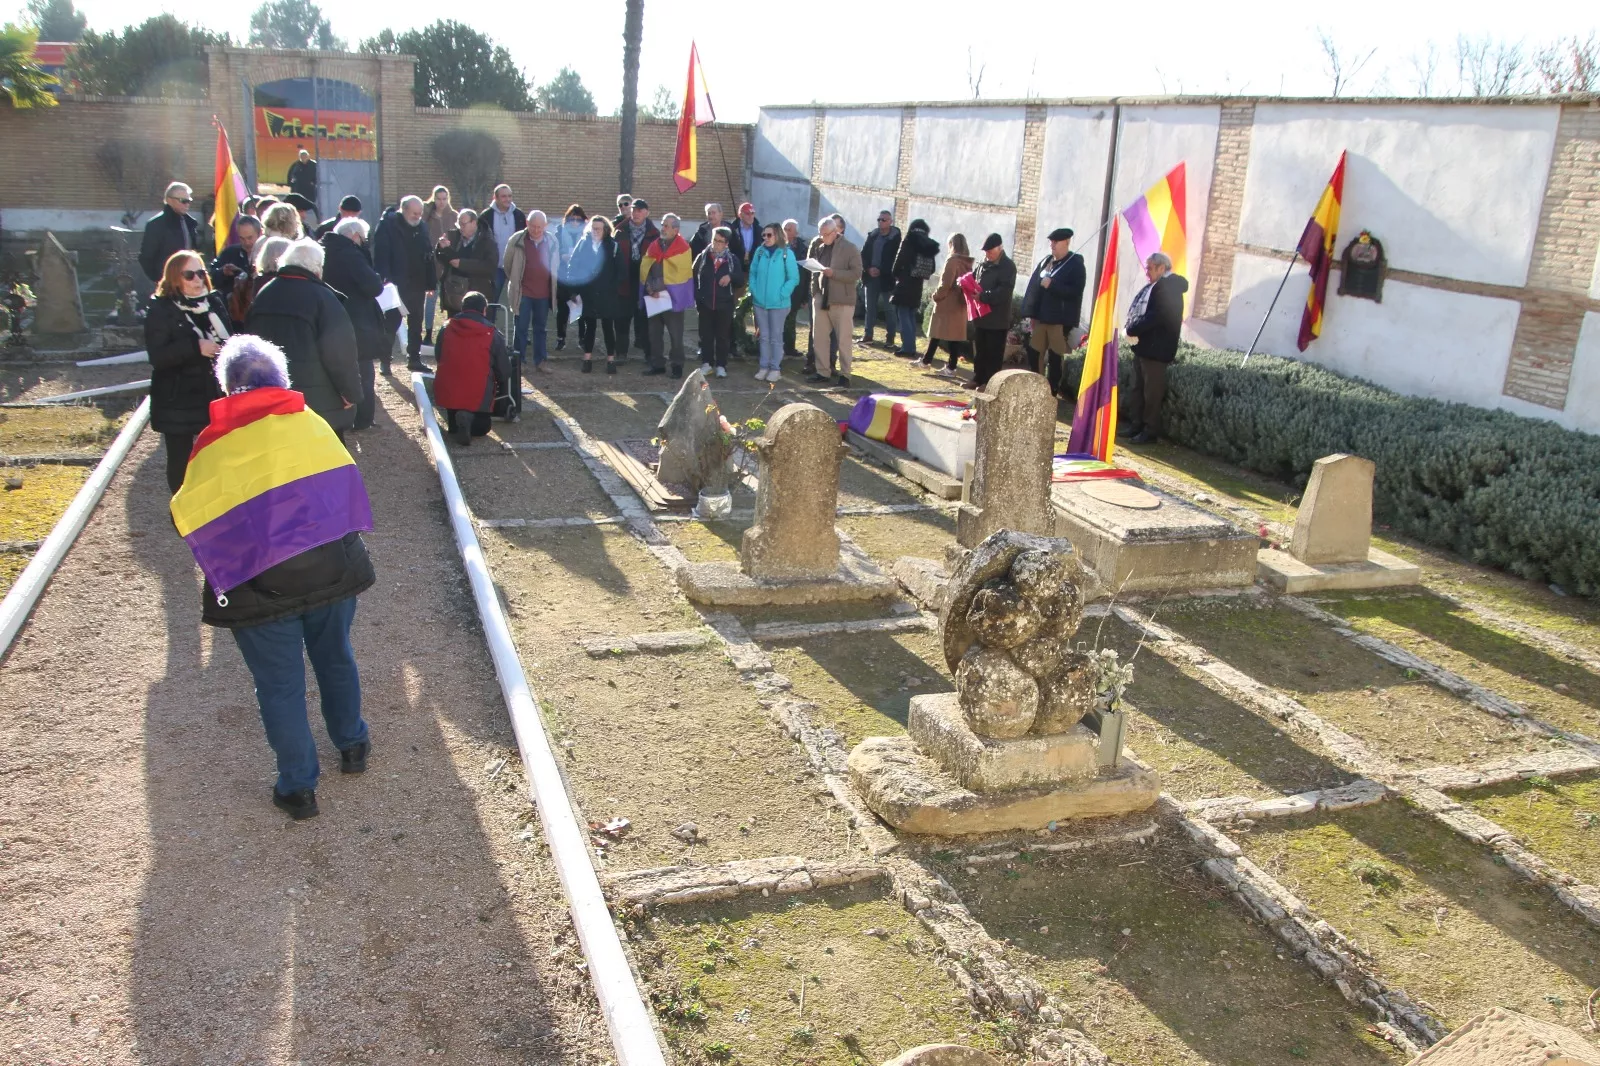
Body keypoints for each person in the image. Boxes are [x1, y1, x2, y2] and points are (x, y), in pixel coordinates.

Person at [170, 334, 375, 821]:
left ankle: (299, 786)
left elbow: (188, 515)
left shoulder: (211, 443)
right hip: (329, 569)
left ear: (227, 387)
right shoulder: (310, 423)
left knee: (279, 686)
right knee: (336, 658)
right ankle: (352, 746)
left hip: (258, 582)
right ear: (282, 380)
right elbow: (346, 486)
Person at [244, 238, 363, 437]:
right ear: (317, 268)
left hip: (275, 398)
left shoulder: (264, 295)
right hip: (319, 405)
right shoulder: (324, 298)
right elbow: (340, 354)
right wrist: (351, 393)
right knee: (327, 464)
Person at [145, 250, 227, 492]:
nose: (197, 279)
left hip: (211, 392)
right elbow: (157, 356)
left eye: (201, 273)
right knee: (180, 459)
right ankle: (182, 512)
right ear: (174, 278)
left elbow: (230, 336)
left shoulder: (214, 302)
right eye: (189, 275)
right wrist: (195, 347)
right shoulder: (162, 309)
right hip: (176, 397)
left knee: (215, 455)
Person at [321, 217, 386, 431]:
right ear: (355, 236)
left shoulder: (324, 250)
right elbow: (373, 286)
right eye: (363, 239)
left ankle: (341, 415)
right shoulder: (351, 255)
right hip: (357, 318)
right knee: (364, 370)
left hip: (330, 319)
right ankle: (363, 419)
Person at [1120, 252, 1189, 445]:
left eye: (1150, 268)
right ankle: (1136, 424)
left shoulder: (1170, 287)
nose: (1147, 272)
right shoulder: (1155, 286)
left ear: (1161, 268)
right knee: (1137, 388)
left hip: (1157, 349)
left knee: (1152, 393)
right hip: (1144, 347)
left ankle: (1150, 431)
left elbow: (1157, 315)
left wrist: (1134, 328)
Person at [434, 291, 511, 445]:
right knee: (482, 429)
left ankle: (460, 420)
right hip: (479, 394)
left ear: (462, 308)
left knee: (454, 426)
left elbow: (438, 356)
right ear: (484, 310)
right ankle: (468, 419)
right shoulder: (492, 333)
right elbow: (504, 370)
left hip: (450, 392)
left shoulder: (446, 328)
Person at [1019, 227, 1087, 397]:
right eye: (1051, 242)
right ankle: (1036, 385)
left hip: (1059, 319)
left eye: (1056, 242)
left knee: (1056, 356)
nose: (1052, 245)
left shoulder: (1075, 264)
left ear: (1067, 242)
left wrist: (1053, 285)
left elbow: (1076, 291)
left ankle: (1052, 390)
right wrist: (1033, 314)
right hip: (1042, 317)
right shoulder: (1047, 261)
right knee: (1035, 352)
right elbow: (1036, 289)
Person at [371, 195, 435, 373]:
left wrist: (430, 282)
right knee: (391, 323)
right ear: (404, 210)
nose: (417, 216)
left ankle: (414, 358)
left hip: (417, 282)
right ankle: (385, 360)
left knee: (416, 323)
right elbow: (381, 255)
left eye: (420, 213)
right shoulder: (388, 226)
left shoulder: (421, 227)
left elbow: (428, 254)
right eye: (414, 213)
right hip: (396, 283)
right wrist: (386, 280)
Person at [503, 210, 560, 386]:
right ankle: (520, 361)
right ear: (527, 223)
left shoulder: (552, 241)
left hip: (543, 294)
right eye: (533, 226)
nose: (536, 230)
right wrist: (516, 280)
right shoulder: (517, 240)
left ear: (545, 226)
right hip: (523, 293)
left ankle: (540, 360)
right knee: (520, 326)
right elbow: (507, 264)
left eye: (539, 227)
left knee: (540, 328)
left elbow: (555, 265)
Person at [807, 217, 862, 386]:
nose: (822, 237)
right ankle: (822, 371)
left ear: (835, 232)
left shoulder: (850, 248)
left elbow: (856, 273)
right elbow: (814, 270)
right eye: (820, 234)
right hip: (822, 298)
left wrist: (834, 273)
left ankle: (845, 375)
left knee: (843, 340)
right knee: (820, 338)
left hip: (842, 301)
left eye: (825, 234)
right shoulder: (819, 245)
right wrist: (815, 293)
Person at [638, 213, 694, 379]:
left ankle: (677, 365)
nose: (662, 228)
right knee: (654, 332)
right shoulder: (654, 245)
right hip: (654, 296)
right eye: (662, 224)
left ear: (675, 230)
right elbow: (645, 266)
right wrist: (648, 286)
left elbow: (679, 275)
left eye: (666, 226)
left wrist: (657, 287)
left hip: (672, 298)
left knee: (675, 334)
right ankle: (657, 364)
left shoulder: (683, 248)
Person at [569, 215, 624, 374]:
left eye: (598, 229)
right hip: (589, 293)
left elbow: (621, 272)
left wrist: (612, 287)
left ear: (606, 230)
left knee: (608, 327)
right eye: (593, 228)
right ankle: (587, 359)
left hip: (608, 295)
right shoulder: (583, 245)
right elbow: (573, 267)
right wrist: (575, 290)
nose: (595, 231)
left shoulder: (613, 246)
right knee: (589, 327)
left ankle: (610, 359)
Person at [691, 226, 745, 379]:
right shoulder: (702, 257)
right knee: (705, 335)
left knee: (722, 336)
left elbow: (740, 280)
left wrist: (730, 277)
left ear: (727, 243)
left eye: (721, 241)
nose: (716, 244)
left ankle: (721, 365)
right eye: (715, 240)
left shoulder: (732, 259)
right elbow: (693, 277)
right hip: (705, 303)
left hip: (724, 304)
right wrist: (698, 297)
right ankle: (707, 363)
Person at [748, 222, 798, 383]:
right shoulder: (760, 252)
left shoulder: (786, 254)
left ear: (777, 235)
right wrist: (755, 291)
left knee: (776, 336)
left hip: (779, 304)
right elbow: (753, 273)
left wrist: (782, 293)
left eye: (769, 235)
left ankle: (775, 368)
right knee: (764, 336)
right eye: (764, 235)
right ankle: (763, 367)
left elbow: (794, 278)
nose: (766, 238)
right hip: (760, 303)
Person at [967, 234, 1016, 389]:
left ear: (999, 247)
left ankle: (990, 383)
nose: (988, 254)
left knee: (993, 353)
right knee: (980, 350)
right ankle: (978, 378)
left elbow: (1003, 292)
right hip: (981, 317)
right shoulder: (982, 264)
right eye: (986, 251)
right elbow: (974, 279)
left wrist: (983, 297)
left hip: (997, 318)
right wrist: (965, 284)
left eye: (990, 251)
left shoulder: (1008, 266)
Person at [434, 208, 498, 318]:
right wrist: (441, 248)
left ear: (474, 222)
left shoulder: (487, 240)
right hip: (455, 293)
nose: (460, 228)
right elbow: (442, 259)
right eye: (459, 224)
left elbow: (489, 266)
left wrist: (462, 264)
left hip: (477, 293)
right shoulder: (453, 236)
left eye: (463, 224)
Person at [889, 218, 939, 358]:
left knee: (903, 314)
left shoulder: (909, 240)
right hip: (918, 283)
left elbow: (900, 260)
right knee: (910, 314)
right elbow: (932, 268)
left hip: (905, 281)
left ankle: (908, 347)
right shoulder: (928, 243)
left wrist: (895, 274)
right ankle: (911, 346)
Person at [617, 199, 659, 361]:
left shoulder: (654, 234)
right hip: (625, 280)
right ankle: (621, 353)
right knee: (622, 319)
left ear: (647, 212)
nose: (636, 213)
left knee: (646, 320)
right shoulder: (620, 231)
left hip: (646, 282)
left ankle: (649, 355)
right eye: (634, 210)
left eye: (640, 210)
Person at [926, 233, 974, 373]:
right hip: (959, 304)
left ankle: (945, 365)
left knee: (937, 332)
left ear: (951, 244)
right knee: (954, 337)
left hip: (947, 302)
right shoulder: (967, 262)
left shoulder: (952, 260)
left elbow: (945, 283)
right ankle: (935, 362)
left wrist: (936, 296)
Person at [139, 182, 200, 283]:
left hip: (189, 279)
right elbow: (146, 258)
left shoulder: (190, 223)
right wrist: (160, 280)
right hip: (168, 281)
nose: (187, 204)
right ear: (169, 200)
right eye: (183, 201)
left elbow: (194, 251)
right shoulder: (156, 224)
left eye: (189, 201)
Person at [209, 214, 262, 331]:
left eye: (250, 238)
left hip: (259, 314)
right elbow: (211, 276)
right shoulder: (230, 252)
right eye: (242, 238)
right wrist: (223, 272)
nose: (246, 242)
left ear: (260, 234)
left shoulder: (267, 254)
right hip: (234, 316)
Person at [689, 203, 726, 366]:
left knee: (723, 325)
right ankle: (704, 351)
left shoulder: (730, 230)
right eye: (708, 213)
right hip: (706, 284)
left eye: (713, 213)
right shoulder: (702, 231)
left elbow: (738, 251)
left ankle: (724, 354)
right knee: (705, 324)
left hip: (724, 287)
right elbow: (693, 251)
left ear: (721, 214)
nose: (711, 216)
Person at [860, 210, 901, 348]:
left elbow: (894, 258)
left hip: (886, 278)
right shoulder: (873, 236)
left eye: (884, 220)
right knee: (870, 307)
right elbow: (863, 254)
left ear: (890, 222)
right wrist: (868, 268)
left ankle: (890, 339)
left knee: (889, 309)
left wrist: (881, 270)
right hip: (870, 276)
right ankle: (868, 335)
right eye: (879, 219)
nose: (880, 222)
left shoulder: (895, 238)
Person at [421, 186, 457, 343]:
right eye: (438, 199)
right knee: (430, 300)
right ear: (433, 199)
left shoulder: (454, 215)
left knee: (451, 299)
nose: (441, 202)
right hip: (432, 263)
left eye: (444, 198)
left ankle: (451, 332)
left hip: (449, 263)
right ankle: (428, 333)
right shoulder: (427, 216)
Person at [482, 183, 526, 303]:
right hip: (495, 266)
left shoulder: (519, 215)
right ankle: (490, 321)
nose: (508, 199)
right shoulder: (486, 216)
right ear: (495, 198)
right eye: (504, 196)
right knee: (492, 300)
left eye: (509, 196)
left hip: (515, 266)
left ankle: (517, 322)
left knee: (517, 301)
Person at [554, 204, 589, 351]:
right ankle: (561, 338)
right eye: (572, 219)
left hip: (581, 275)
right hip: (563, 275)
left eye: (578, 219)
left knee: (581, 308)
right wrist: (562, 256)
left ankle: (582, 338)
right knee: (563, 309)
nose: (575, 222)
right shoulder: (559, 232)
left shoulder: (587, 234)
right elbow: (554, 251)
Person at [782, 219, 808, 358]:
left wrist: (805, 297)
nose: (786, 232)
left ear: (796, 232)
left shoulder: (803, 248)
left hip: (796, 289)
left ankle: (790, 348)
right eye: (784, 229)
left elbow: (807, 273)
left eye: (789, 229)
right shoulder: (777, 246)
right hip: (780, 288)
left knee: (791, 319)